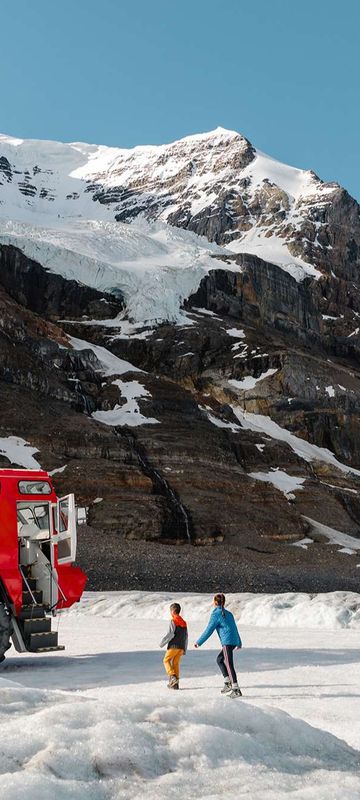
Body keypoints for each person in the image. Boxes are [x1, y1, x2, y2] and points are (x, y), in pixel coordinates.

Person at [194, 593, 242, 698]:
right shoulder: (228, 613)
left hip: (227, 642)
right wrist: (238, 642)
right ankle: (228, 682)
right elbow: (235, 628)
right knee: (220, 659)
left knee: (229, 664)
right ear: (223, 602)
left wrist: (199, 642)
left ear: (215, 602)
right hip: (233, 641)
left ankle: (236, 689)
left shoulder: (216, 614)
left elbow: (209, 630)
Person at [160, 602, 188, 690]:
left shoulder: (173, 621)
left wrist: (162, 643)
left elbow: (170, 634)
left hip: (174, 646)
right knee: (175, 663)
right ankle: (175, 684)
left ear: (172, 611)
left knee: (166, 660)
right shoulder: (184, 622)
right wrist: (184, 649)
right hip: (181, 647)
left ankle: (172, 677)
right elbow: (186, 636)